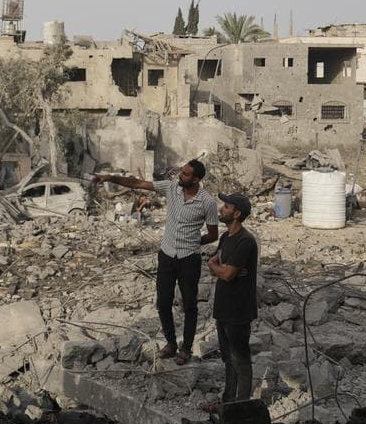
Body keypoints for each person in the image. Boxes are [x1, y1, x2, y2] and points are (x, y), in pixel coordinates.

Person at [93, 160, 219, 362]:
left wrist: (194, 241)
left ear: (196, 179)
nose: (180, 176)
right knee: (163, 302)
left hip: (189, 259)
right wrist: (110, 178)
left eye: (185, 174)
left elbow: (213, 235)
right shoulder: (171, 188)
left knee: (189, 306)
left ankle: (185, 349)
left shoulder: (207, 202)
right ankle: (170, 343)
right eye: (181, 172)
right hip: (167, 255)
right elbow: (138, 184)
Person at [206, 192, 259, 406]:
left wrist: (221, 269)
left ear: (237, 213)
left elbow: (227, 274)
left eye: (226, 207)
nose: (221, 209)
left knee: (240, 359)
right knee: (228, 358)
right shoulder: (225, 238)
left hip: (239, 309)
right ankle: (228, 401)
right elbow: (214, 264)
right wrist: (219, 268)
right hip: (224, 307)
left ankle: (242, 403)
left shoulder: (245, 241)